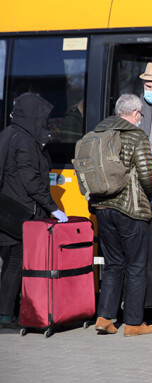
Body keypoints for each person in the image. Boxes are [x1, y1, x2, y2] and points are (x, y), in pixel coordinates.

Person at [90, 93, 152, 337]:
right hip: (130, 208)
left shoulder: (98, 132)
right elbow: (147, 174)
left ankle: (105, 317)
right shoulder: (135, 135)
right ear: (135, 114)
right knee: (136, 266)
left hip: (102, 207)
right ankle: (133, 323)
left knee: (113, 265)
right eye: (140, 114)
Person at [0, 93, 68, 328]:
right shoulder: (25, 141)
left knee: (10, 261)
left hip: (9, 209)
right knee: (16, 261)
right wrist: (53, 208)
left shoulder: (12, 133)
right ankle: (6, 314)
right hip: (20, 211)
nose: (44, 122)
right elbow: (30, 180)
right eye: (41, 118)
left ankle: (8, 311)